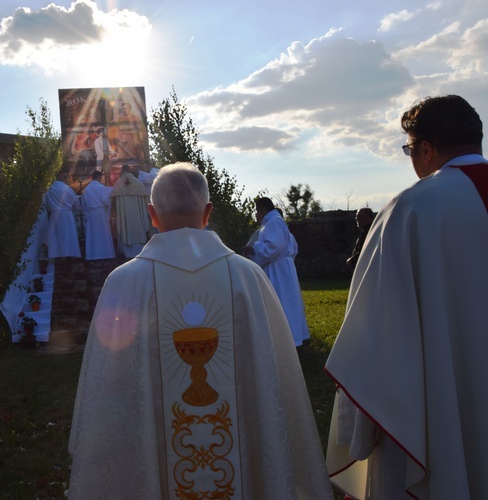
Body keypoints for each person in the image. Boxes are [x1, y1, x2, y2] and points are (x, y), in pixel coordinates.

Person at [69, 163, 332, 499]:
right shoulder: (247, 277)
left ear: (151, 214)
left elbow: (106, 388)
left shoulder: (123, 283)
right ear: (208, 212)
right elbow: (276, 380)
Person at [325, 95, 488, 498]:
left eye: (410, 149)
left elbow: (374, 338)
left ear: (426, 148)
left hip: (442, 417)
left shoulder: (409, 210)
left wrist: (359, 437)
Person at [242, 197, 310, 346]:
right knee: (288, 301)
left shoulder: (273, 223)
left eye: (257, 211)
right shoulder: (276, 223)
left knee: (282, 302)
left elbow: (274, 247)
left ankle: (288, 339)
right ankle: (294, 337)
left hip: (278, 270)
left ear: (262, 210)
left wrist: (254, 249)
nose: (256, 215)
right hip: (283, 268)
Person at [109, 164, 151, 258]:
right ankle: (139, 252)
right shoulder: (138, 183)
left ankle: (126, 253)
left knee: (124, 228)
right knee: (138, 228)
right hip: (137, 217)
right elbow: (146, 200)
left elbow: (112, 201)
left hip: (124, 217)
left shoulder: (118, 183)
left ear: (121, 172)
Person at [44, 171, 81, 259]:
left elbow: (47, 204)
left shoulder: (50, 190)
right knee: (68, 235)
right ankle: (69, 253)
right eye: (66, 177)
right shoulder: (66, 189)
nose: (67, 179)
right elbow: (75, 202)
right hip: (67, 215)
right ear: (62, 177)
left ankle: (56, 254)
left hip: (55, 216)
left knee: (56, 236)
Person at [80, 170, 115, 260]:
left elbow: (84, 204)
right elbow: (105, 200)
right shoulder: (101, 187)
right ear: (99, 177)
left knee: (93, 234)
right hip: (101, 213)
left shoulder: (87, 189)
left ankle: (93, 254)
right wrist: (107, 207)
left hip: (91, 214)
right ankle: (106, 254)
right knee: (103, 233)